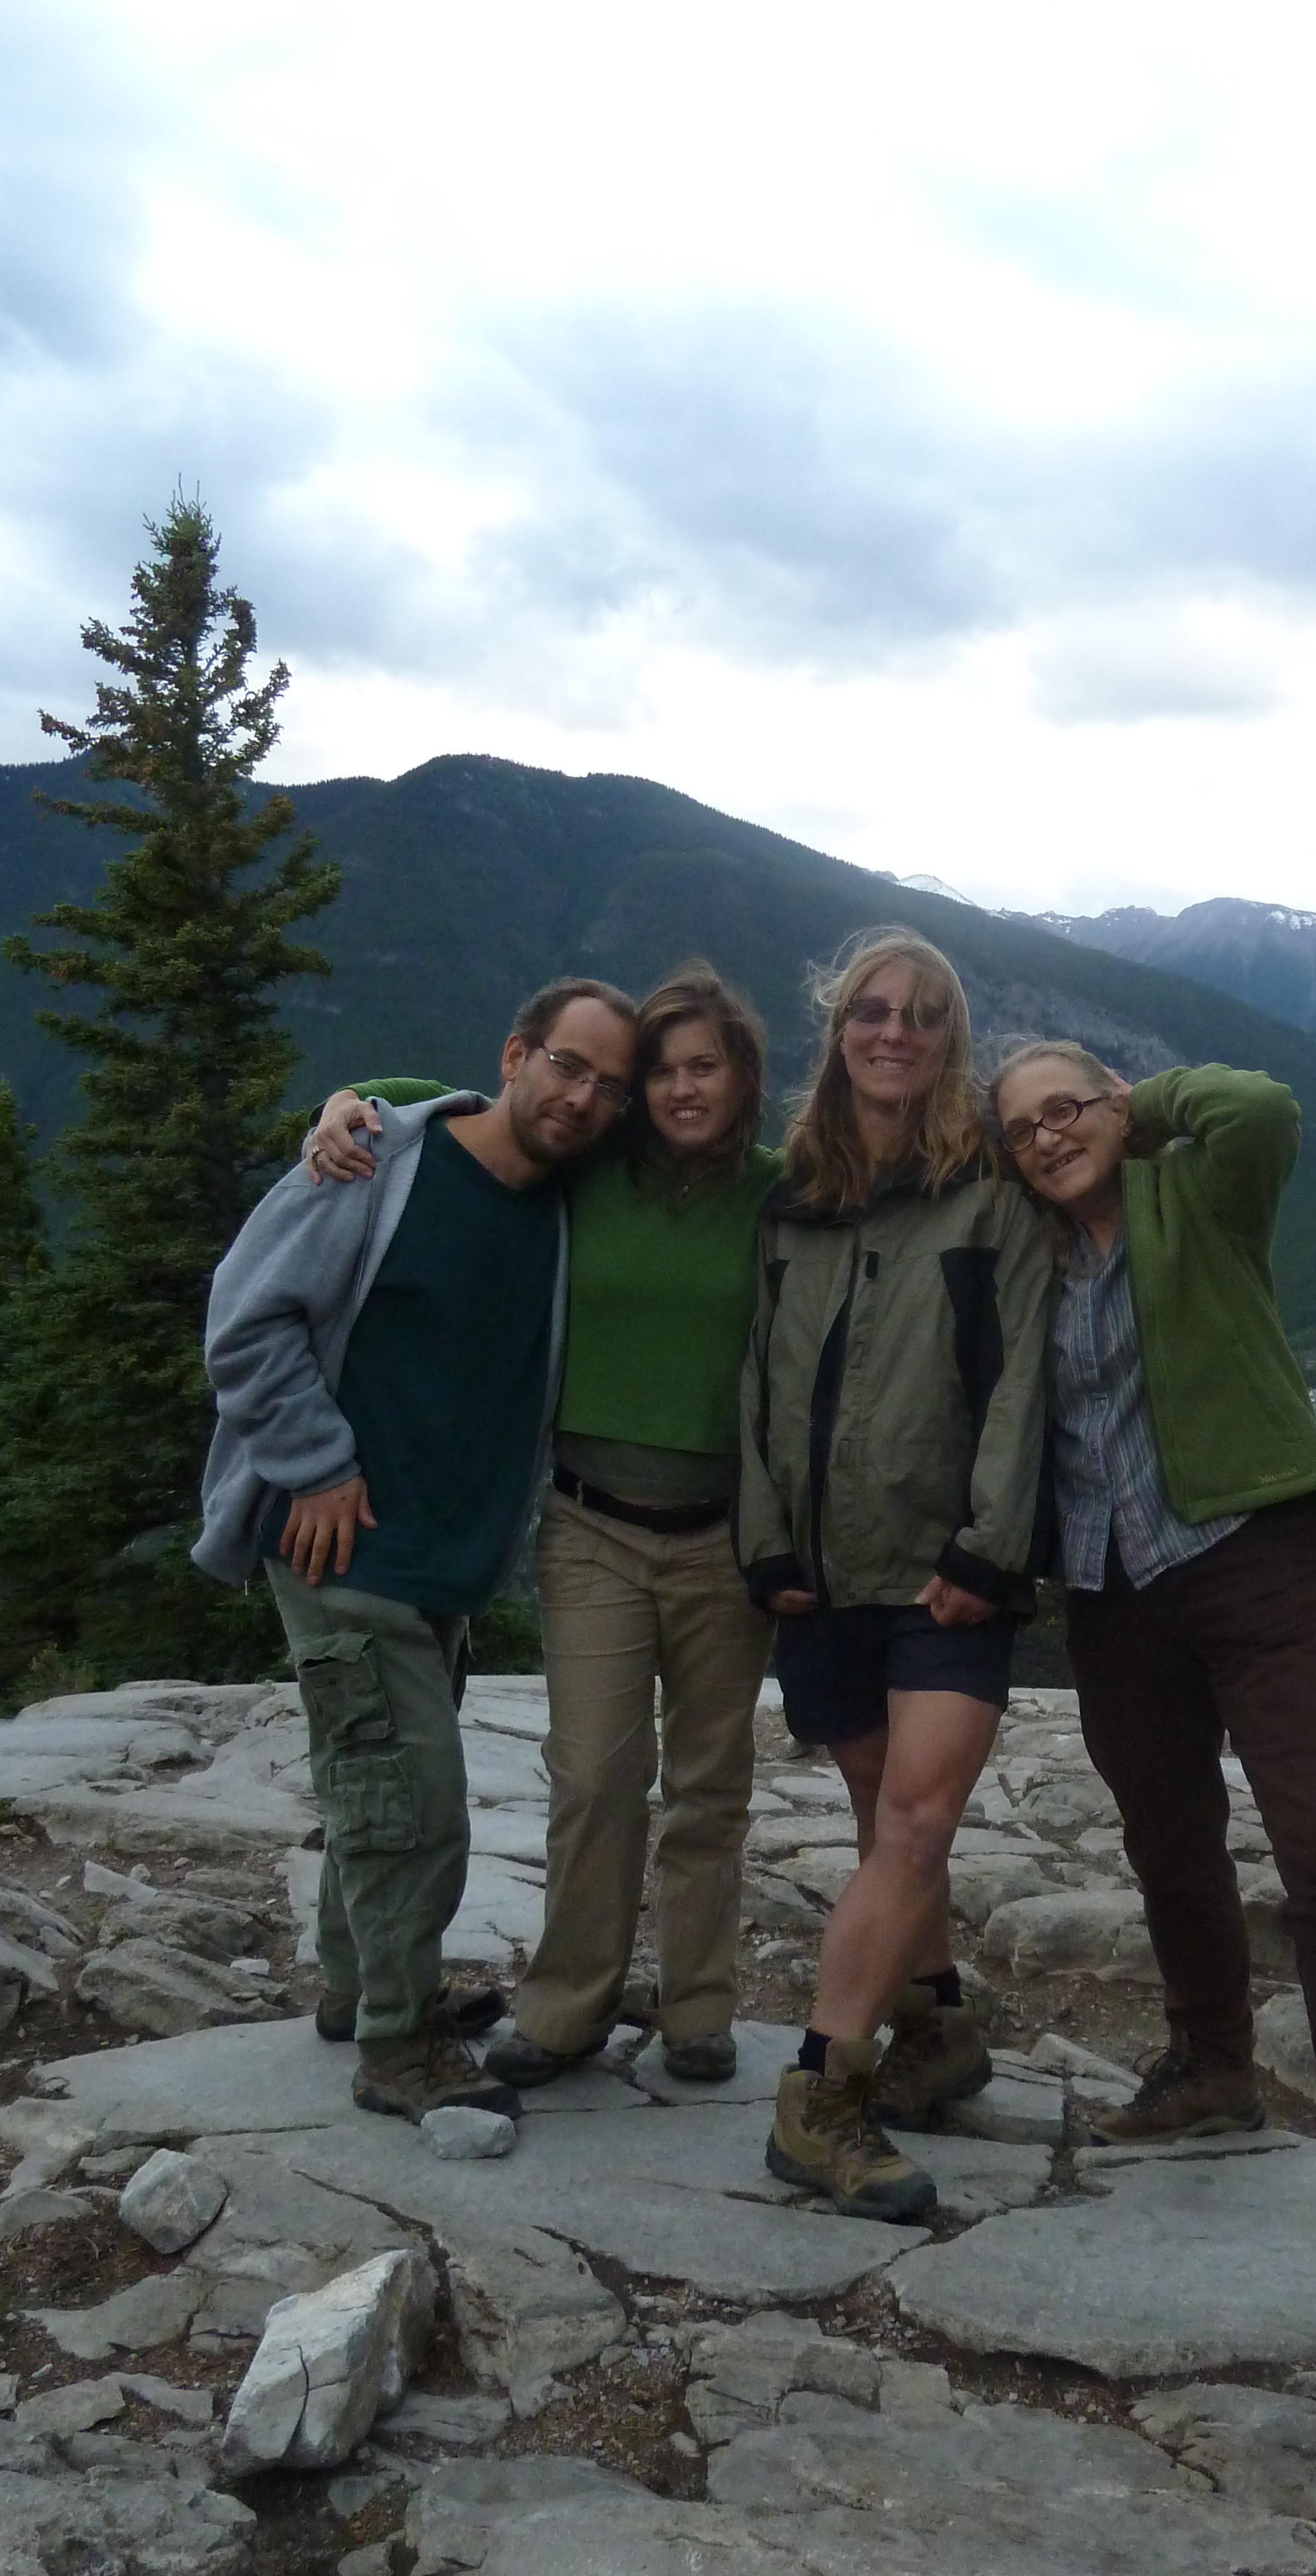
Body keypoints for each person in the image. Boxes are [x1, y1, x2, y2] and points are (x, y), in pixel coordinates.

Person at [988, 1040, 1316, 2291]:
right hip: (1110, 1584)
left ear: (1115, 1105)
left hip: (1251, 1552)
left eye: (1065, 1109)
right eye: (1021, 1129)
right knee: (1168, 1837)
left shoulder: (1198, 1191)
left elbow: (1262, 1105)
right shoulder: (1024, 1252)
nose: (1047, 1139)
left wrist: (1138, 1107)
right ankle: (1212, 2065)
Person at [303, 966, 781, 2087]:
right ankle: (568, 2006)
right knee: (595, 1777)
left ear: (744, 1078)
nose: (680, 1089)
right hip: (593, 1525)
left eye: (704, 1067)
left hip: (727, 1534)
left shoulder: (780, 1190)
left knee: (710, 1785)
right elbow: (459, 1109)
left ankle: (700, 2006)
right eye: (658, 1072)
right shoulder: (591, 1168)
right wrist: (346, 1101)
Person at [192, 978, 637, 2123]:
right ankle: (399, 2047)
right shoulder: (376, 1163)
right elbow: (244, 1317)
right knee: (415, 1805)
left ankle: (360, 1989)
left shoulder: (566, 1202)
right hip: (342, 1541)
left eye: (609, 1086)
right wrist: (316, 1464)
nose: (583, 1098)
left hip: (446, 1554)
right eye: (568, 1065)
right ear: (516, 1054)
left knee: (374, 1780)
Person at [739, 930, 1054, 2222]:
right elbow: (753, 1379)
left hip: (947, 1573)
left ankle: (821, 2093)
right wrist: (764, 1541)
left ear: (949, 1043)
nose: (894, 1032)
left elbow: (1024, 1382)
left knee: (917, 1822)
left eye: (922, 1016)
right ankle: (940, 2027)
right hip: (820, 1571)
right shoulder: (791, 1202)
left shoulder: (989, 1200)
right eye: (871, 1010)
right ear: (838, 1029)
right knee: (887, 1822)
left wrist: (990, 1550)